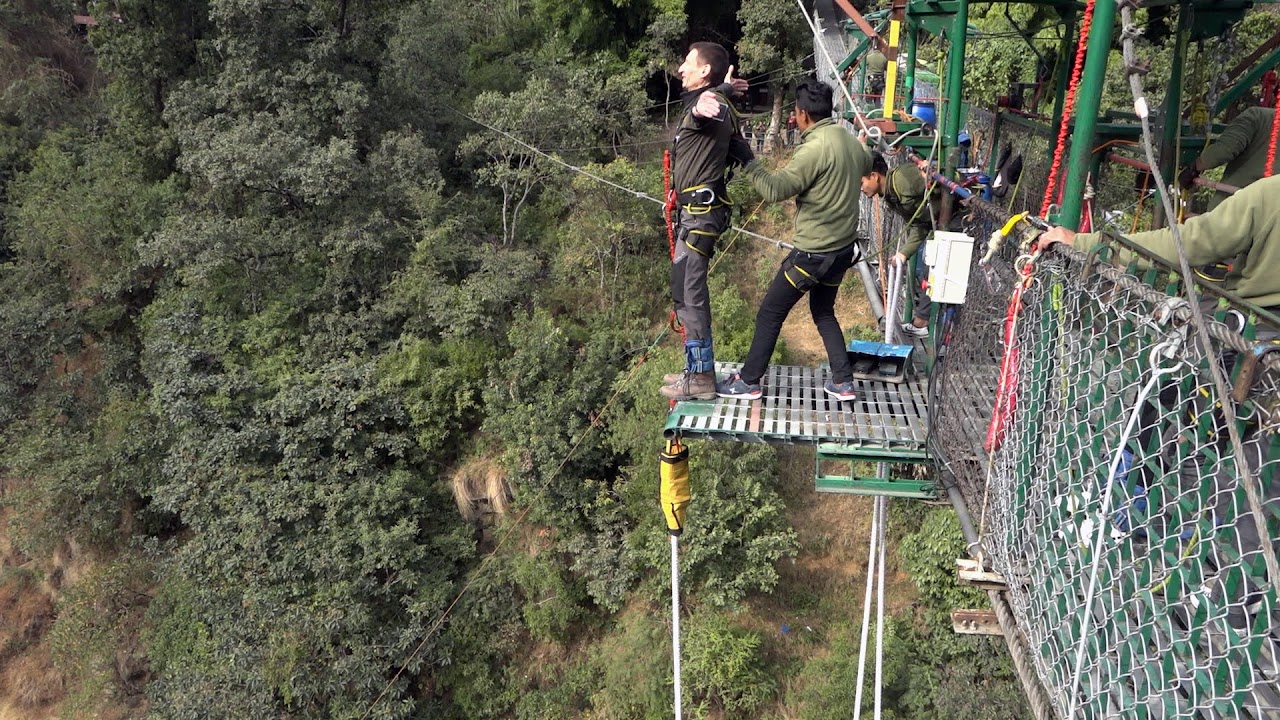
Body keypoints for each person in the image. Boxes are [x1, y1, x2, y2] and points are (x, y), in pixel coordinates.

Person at [715, 78, 871, 401]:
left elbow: (774, 190)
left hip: (813, 254)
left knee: (770, 312)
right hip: (842, 251)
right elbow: (868, 163)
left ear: (802, 115)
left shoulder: (813, 149)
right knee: (824, 311)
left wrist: (747, 159)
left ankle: (749, 381)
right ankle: (843, 382)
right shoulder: (850, 142)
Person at [1038, 174, 1280, 319]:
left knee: (1170, 390)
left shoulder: (1271, 194)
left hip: (1256, 326)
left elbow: (1191, 242)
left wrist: (1085, 242)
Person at [659, 42, 748, 401]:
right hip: (693, 217)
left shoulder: (709, 107)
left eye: (688, 64)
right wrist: (721, 91)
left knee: (690, 296)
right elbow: (701, 106)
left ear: (704, 72)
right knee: (684, 292)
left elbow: (702, 111)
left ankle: (700, 378)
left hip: (698, 219)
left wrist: (706, 103)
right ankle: (696, 371)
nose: (681, 68)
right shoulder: (714, 98)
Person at [861, 151, 933, 338]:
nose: (861, 189)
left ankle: (926, 323)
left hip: (956, 219)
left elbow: (937, 180)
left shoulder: (902, 180)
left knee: (934, 270)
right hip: (939, 224)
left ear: (875, 176)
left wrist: (931, 173)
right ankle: (925, 322)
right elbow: (918, 224)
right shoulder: (892, 195)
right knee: (931, 268)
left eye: (862, 183)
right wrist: (904, 253)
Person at [1179, 105, 1277, 210]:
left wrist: (1194, 168)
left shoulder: (1259, 116)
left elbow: (1225, 149)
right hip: (1269, 214)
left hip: (1232, 209)